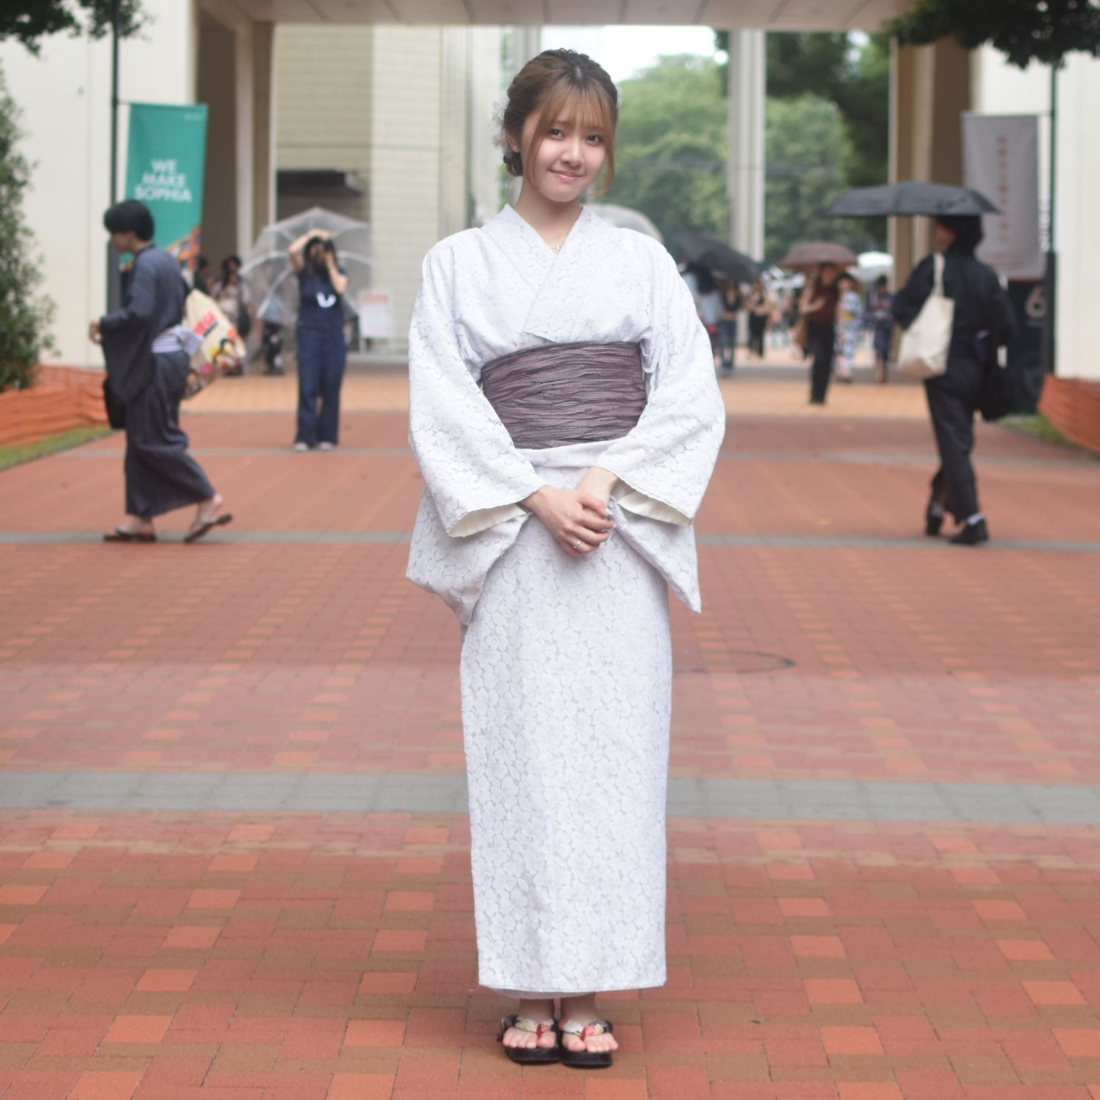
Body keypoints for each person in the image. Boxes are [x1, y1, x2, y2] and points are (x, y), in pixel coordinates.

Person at [406, 49, 724, 1070]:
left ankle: (589, 983)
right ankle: (529, 984)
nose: (572, 153)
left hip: (613, 529)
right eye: (553, 131)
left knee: (614, 761)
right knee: (524, 758)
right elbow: (443, 399)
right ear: (514, 136)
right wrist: (533, 492)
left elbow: (687, 392)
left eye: (591, 136)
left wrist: (605, 479)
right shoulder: (457, 263)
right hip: (515, 534)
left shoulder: (636, 261)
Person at [91, 200, 232, 544]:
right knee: (143, 437)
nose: (113, 240)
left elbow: (139, 312)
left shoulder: (145, 266)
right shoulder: (168, 261)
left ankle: (206, 497)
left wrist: (103, 324)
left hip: (151, 364)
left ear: (128, 233)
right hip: (172, 360)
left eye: (115, 233)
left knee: (150, 438)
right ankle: (142, 516)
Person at [893, 215, 1016, 545]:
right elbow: (1006, 326)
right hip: (977, 367)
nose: (935, 231)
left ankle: (973, 518)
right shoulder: (987, 275)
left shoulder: (934, 267)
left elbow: (902, 308)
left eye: (939, 225)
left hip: (942, 365)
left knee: (954, 441)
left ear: (950, 231)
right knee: (959, 439)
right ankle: (937, 506)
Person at [288, 229, 348, 451]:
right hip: (309, 335)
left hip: (333, 337)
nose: (318, 251)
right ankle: (305, 436)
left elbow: (340, 287)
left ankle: (328, 436)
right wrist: (311, 234)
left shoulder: (338, 271)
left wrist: (330, 262)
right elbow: (292, 251)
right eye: (315, 247)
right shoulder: (305, 273)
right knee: (308, 386)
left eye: (323, 247)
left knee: (331, 386)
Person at [799, 262, 840, 403]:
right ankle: (814, 393)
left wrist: (842, 329)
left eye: (831, 271)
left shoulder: (836, 289)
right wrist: (815, 306)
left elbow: (839, 310)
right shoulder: (813, 287)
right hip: (814, 327)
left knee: (827, 362)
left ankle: (822, 394)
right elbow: (803, 308)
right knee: (818, 358)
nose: (828, 274)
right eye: (826, 271)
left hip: (829, 327)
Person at [211, 255, 251, 375]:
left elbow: (246, 300)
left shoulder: (241, 284)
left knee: (237, 342)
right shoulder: (219, 284)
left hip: (236, 318)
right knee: (225, 343)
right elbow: (213, 297)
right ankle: (227, 365)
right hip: (224, 319)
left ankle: (237, 366)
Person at [864, 275, 894, 384]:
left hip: (888, 327)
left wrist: (887, 305)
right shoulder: (872, 297)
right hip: (877, 327)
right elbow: (867, 311)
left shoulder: (890, 297)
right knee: (879, 351)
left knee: (886, 352)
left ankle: (884, 373)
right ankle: (879, 374)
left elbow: (895, 309)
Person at [834, 272, 862, 383]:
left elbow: (855, 314)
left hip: (849, 328)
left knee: (848, 351)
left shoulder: (852, 297)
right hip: (837, 327)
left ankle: (846, 372)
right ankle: (840, 371)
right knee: (838, 351)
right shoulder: (836, 297)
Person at [716, 279, 742, 375]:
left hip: (732, 320)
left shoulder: (738, 295)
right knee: (723, 343)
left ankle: (730, 364)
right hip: (724, 320)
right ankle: (724, 364)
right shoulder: (722, 294)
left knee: (731, 343)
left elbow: (739, 307)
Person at [745, 279, 771, 359]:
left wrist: (758, 309)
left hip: (760, 318)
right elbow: (748, 306)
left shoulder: (763, 295)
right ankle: (752, 350)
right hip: (753, 318)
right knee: (752, 335)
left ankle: (760, 352)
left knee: (760, 335)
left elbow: (767, 307)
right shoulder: (751, 295)